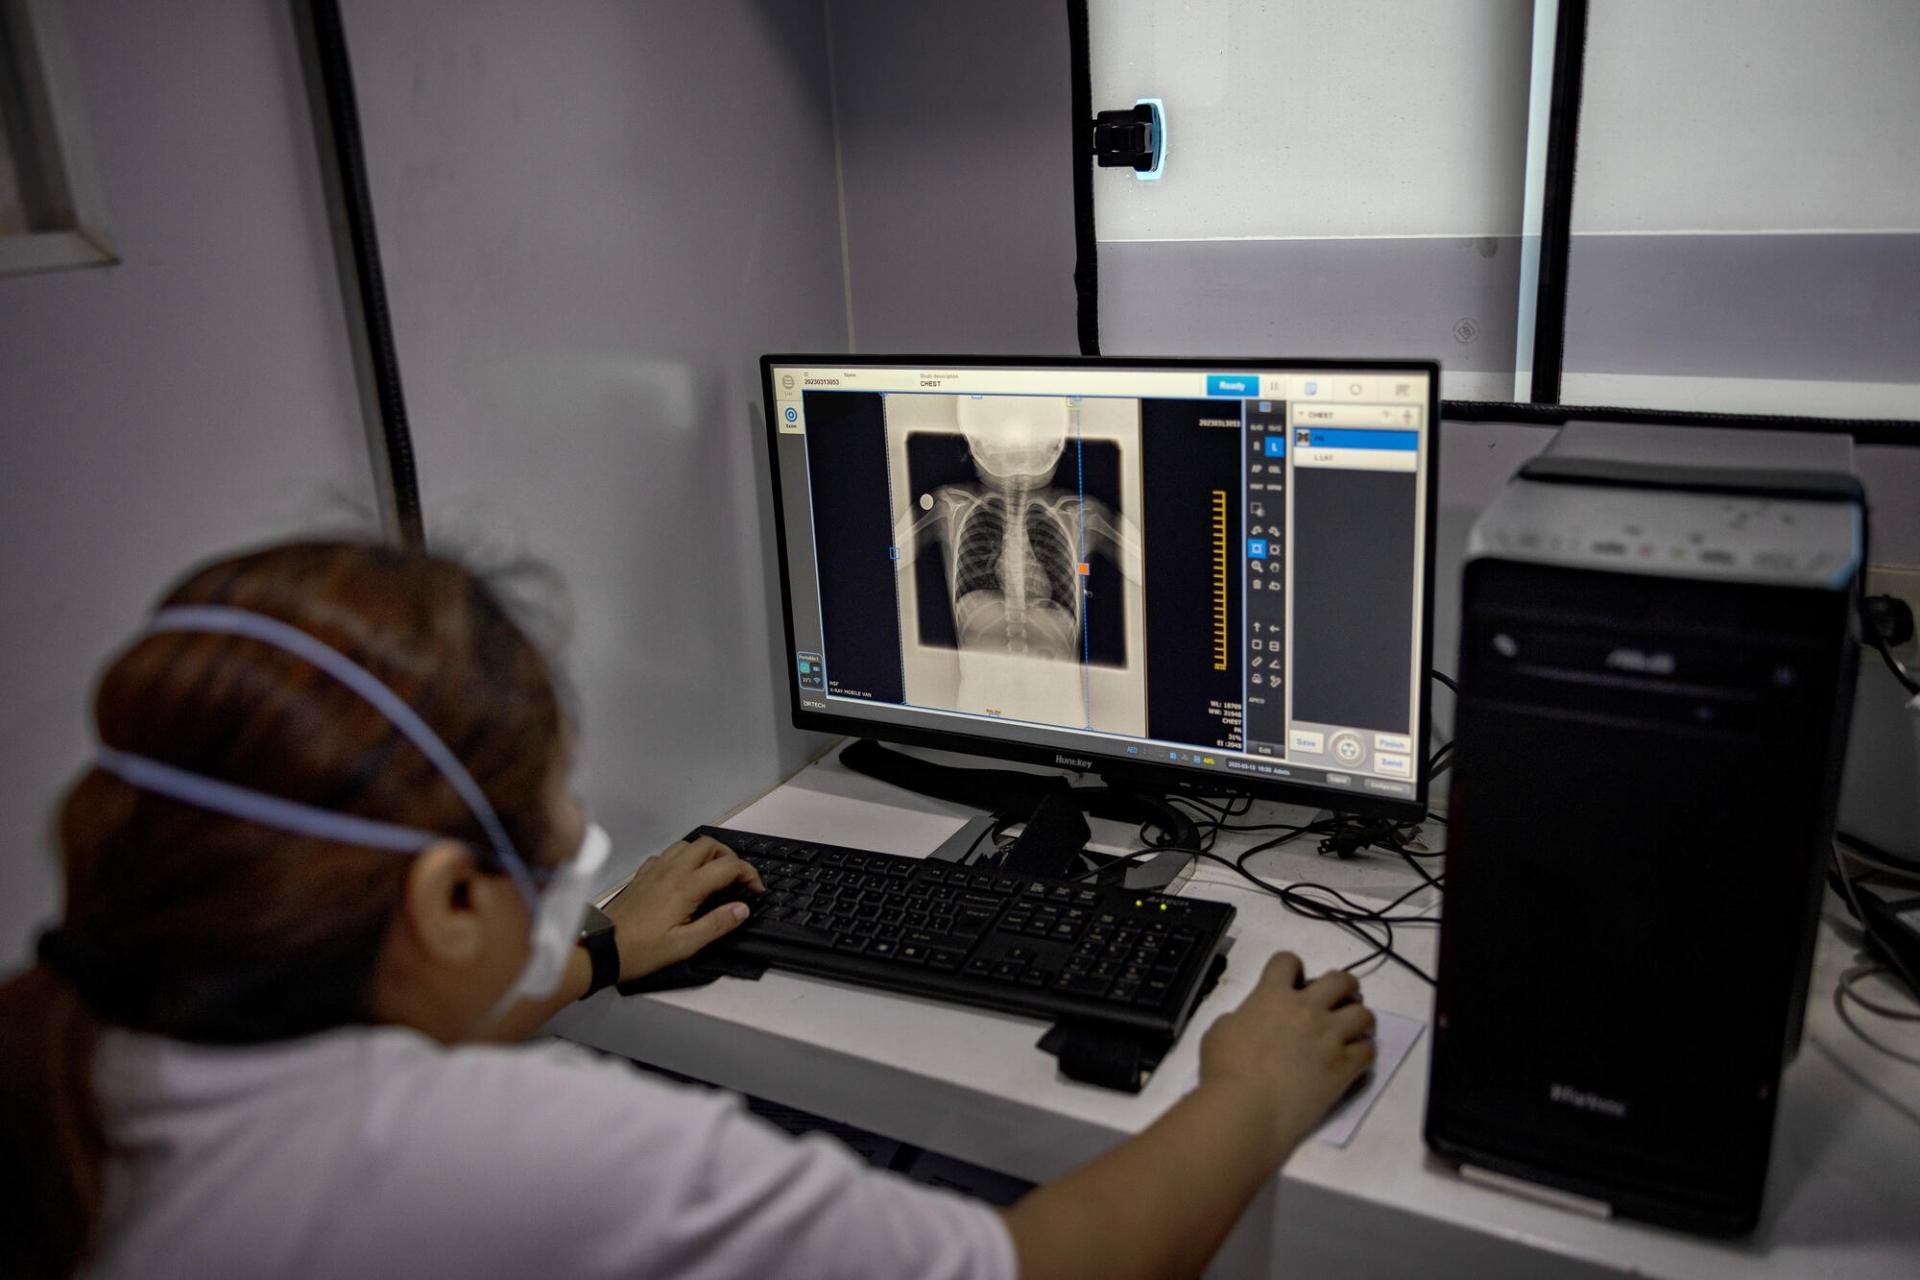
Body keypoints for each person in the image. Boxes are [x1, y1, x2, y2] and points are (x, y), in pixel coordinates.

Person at [0, 539, 1375, 1279]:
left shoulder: (74, 1052)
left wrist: (592, 958)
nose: (569, 866)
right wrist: (1250, 1096)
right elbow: (1027, 1269)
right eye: (551, 848)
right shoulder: (526, 1151)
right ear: (442, 899)